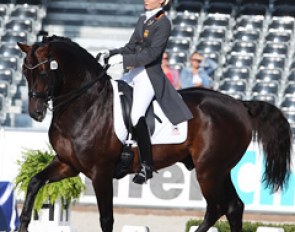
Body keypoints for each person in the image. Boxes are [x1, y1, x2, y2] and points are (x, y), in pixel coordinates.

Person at [97, 0, 193, 184]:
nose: (146, 0)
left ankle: (147, 165)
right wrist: (111, 53)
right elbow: (131, 46)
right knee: (113, 103)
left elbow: (152, 55)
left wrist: (123, 60)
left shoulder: (164, 22)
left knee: (135, 115)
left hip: (149, 75)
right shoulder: (143, 19)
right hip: (133, 72)